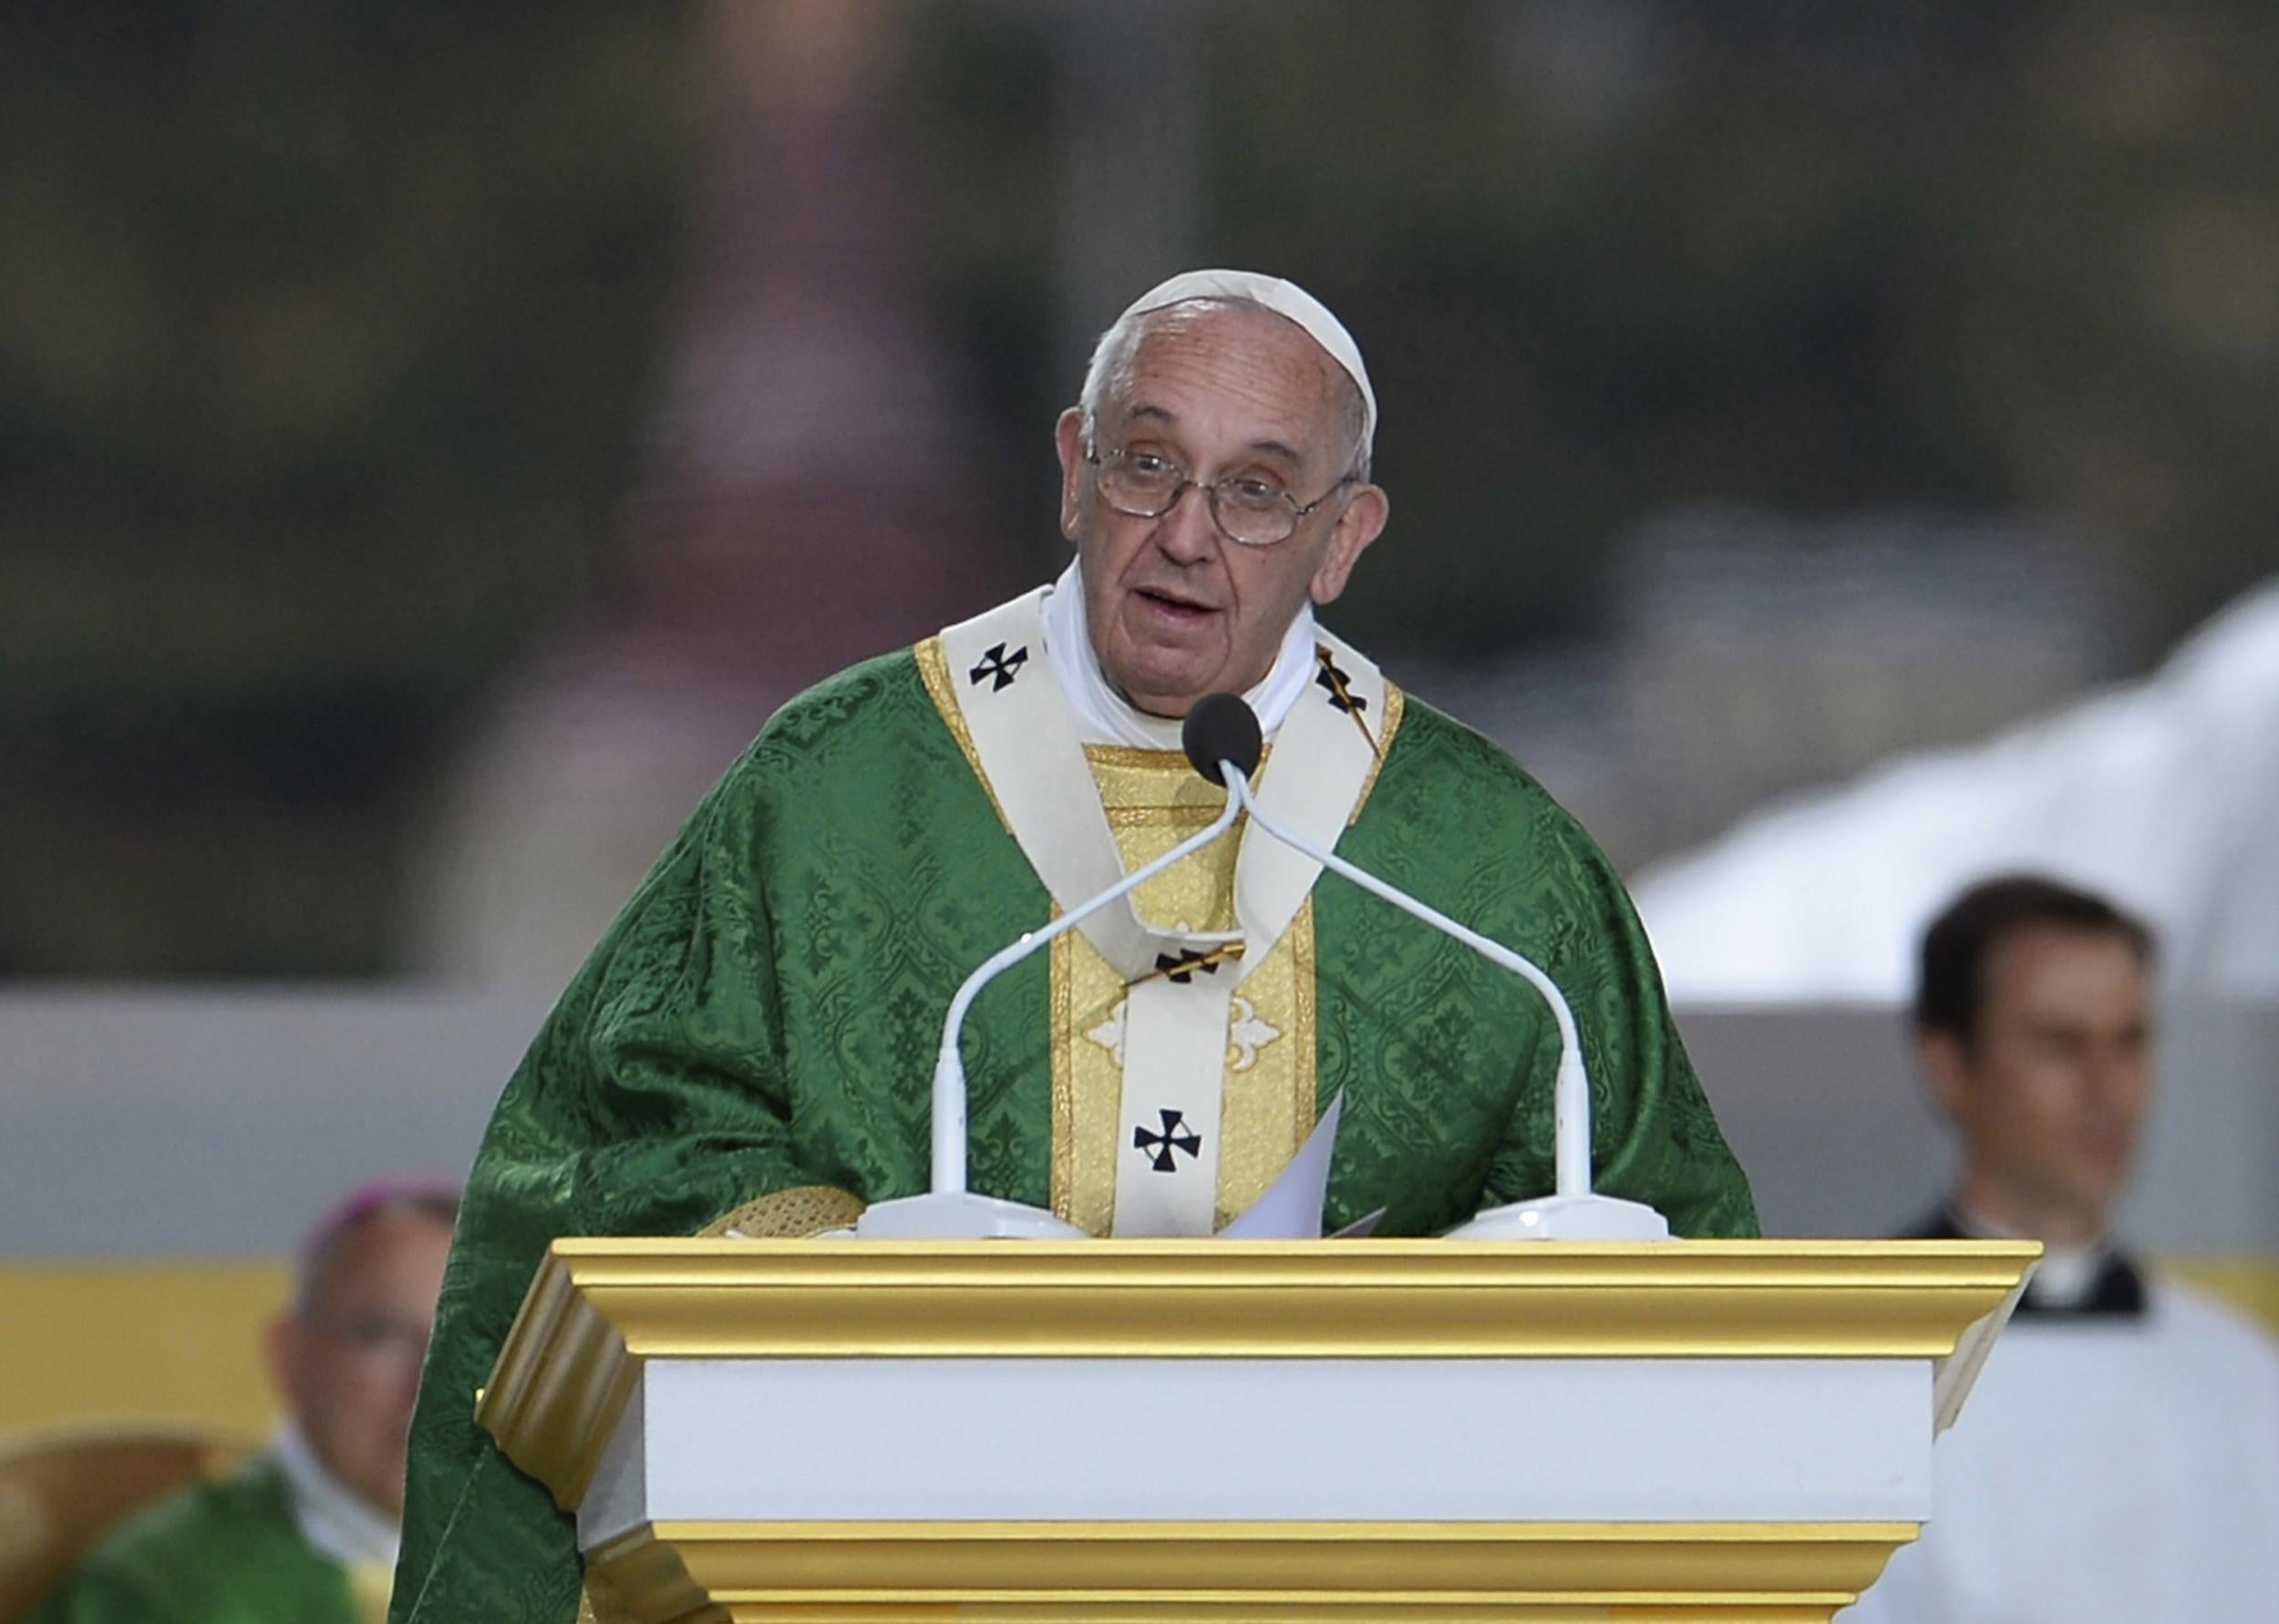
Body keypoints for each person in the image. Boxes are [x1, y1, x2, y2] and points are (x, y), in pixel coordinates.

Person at [389, 269, 1758, 1623]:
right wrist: (861, 1269)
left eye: (1260, 489)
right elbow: (610, 1152)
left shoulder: (1487, 866)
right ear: (1070, 471)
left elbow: (1672, 1260)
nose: (1187, 534)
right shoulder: (840, 790)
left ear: (1346, 538)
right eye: (1149, 465)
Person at [1843, 874, 2279, 1622]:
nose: (2106, 1089)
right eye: (2059, 1044)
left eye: (2128, 1042)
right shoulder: (1842, 1369)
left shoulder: (2243, 1372)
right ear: (1949, 1065)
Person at [31, 1180, 459, 1624]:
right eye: (383, 1335)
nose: (433, 1386)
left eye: (478, 1344)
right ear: (290, 1354)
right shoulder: (165, 1589)